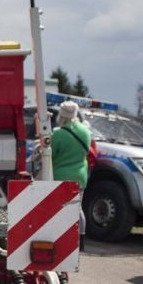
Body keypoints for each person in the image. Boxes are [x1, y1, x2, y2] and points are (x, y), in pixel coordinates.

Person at [52, 101, 93, 249]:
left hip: (60, 176)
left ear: (61, 115)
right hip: (80, 176)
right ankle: (80, 239)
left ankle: (59, 237)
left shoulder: (58, 133)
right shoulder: (85, 132)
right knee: (77, 208)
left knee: (57, 208)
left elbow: (51, 154)